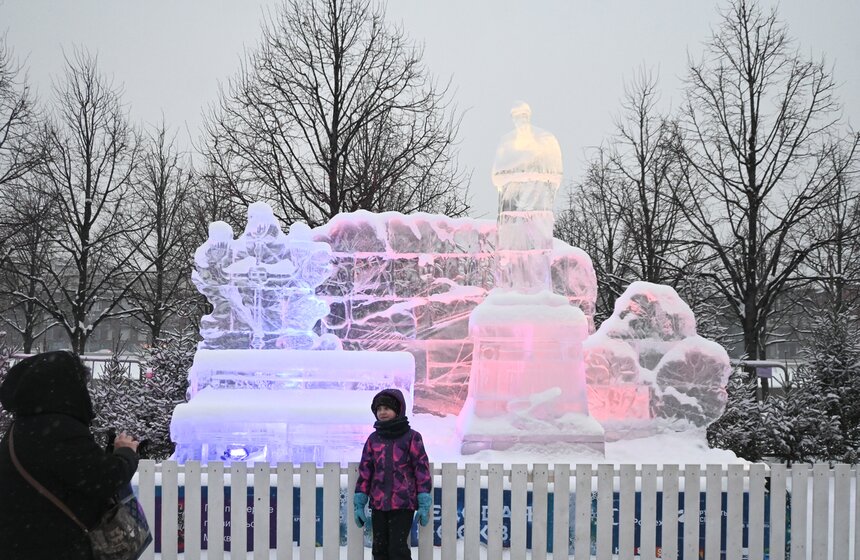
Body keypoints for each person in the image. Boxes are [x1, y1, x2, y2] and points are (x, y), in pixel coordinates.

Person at [0, 351, 141, 560]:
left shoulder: (21, 429)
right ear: (64, 388)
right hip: (56, 548)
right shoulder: (59, 430)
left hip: (22, 545)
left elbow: (72, 473)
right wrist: (126, 452)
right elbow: (104, 479)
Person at [354, 388, 432, 560]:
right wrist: (360, 501)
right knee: (379, 549)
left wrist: (424, 499)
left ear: (398, 410)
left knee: (398, 549)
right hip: (379, 504)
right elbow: (366, 470)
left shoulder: (411, 437)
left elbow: (421, 467)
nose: (382, 412)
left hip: (403, 503)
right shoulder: (373, 439)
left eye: (386, 408)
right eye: (379, 409)